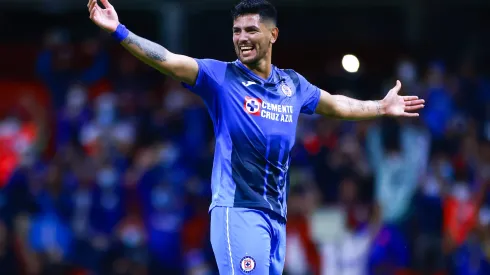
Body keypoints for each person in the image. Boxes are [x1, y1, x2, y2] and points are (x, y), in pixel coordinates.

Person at [87, 0, 425, 273]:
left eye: (251, 29)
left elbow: (335, 104)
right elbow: (168, 60)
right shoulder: (221, 78)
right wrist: (120, 31)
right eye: (236, 31)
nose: (242, 37)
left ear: (273, 34)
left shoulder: (292, 84)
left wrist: (380, 107)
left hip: (276, 216)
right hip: (238, 212)